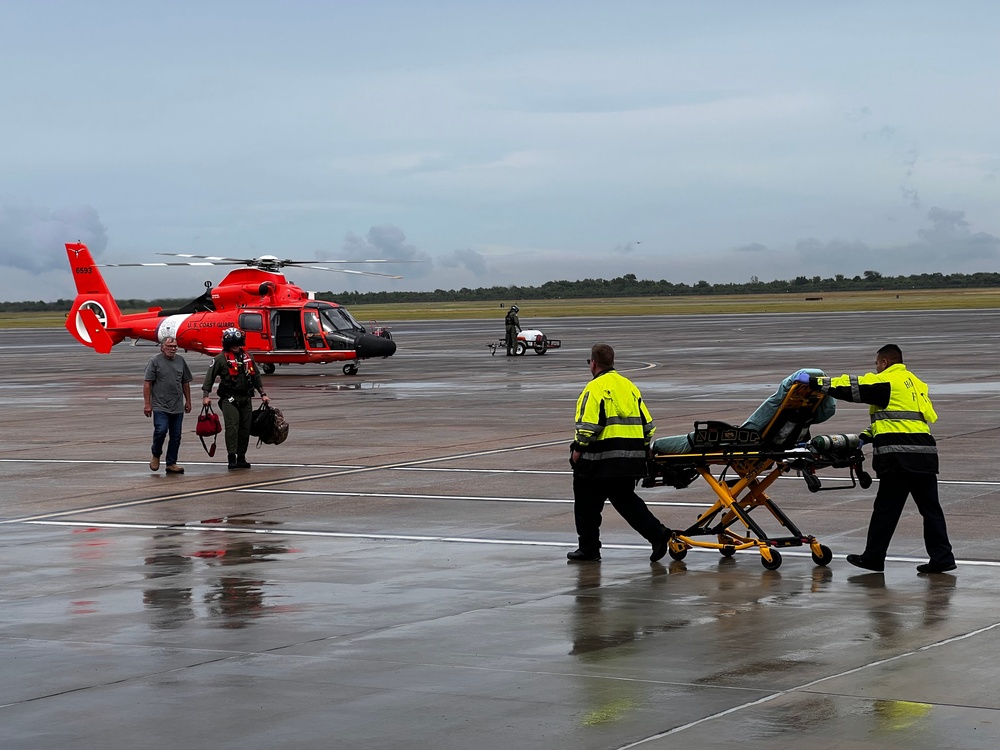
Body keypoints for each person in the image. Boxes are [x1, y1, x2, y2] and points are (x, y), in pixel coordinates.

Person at [806, 344, 955, 574]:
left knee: (886, 510)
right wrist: (866, 436)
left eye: (876, 364)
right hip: (924, 457)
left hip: (899, 459)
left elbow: (853, 387)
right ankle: (943, 558)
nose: (875, 369)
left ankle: (873, 558)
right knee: (931, 510)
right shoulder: (916, 383)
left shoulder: (887, 381)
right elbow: (902, 419)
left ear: (884, 362)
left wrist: (818, 383)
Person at [568, 343, 671, 562]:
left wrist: (577, 451)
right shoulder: (629, 386)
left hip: (599, 460)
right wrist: (642, 449)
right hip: (631, 460)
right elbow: (648, 425)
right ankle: (658, 534)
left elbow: (587, 427)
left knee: (586, 505)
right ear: (612, 362)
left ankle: (589, 549)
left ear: (593, 363)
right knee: (626, 501)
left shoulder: (593, 389)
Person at [202, 327, 269, 470]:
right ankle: (231, 457)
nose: (236, 345)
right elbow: (210, 377)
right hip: (229, 398)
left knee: (245, 428)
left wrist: (263, 394)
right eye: (232, 343)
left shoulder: (248, 357)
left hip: (246, 397)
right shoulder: (220, 359)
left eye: (238, 342)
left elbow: (256, 376)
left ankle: (242, 457)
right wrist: (206, 396)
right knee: (232, 427)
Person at [143, 336, 193, 474]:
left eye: (175, 346)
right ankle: (156, 453)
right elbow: (147, 383)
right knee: (161, 430)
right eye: (170, 346)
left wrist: (188, 400)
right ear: (162, 347)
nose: (173, 349)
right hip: (160, 405)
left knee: (176, 435)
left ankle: (171, 463)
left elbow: (185, 382)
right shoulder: (155, 361)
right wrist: (147, 404)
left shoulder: (180, 361)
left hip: (177, 405)